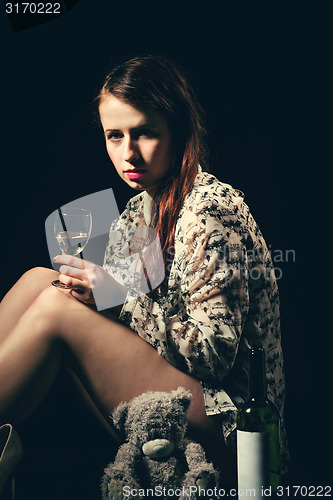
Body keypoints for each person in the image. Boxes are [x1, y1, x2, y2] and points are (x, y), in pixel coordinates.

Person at [0, 54, 288, 492]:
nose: (127, 153)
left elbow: (214, 355)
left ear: (178, 131)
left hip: (234, 427)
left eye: (145, 133)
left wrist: (117, 296)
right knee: (42, 281)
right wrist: (101, 293)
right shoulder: (140, 210)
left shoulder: (210, 209)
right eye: (114, 136)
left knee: (56, 310)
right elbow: (127, 319)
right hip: (170, 401)